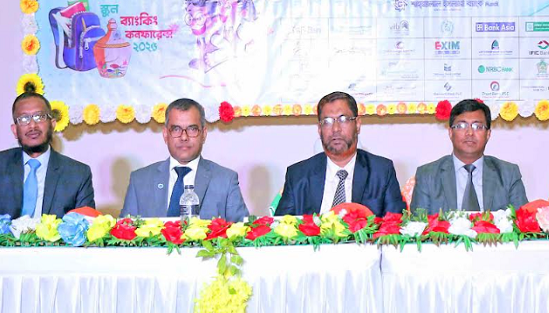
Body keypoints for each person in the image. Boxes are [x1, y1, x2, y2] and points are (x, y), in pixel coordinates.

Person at [275, 91, 405, 217]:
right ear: (319, 129)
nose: (336, 129)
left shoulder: (381, 171)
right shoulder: (298, 175)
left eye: (343, 119)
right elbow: (280, 226)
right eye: (327, 121)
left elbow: (396, 224)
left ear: (357, 124)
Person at [120, 98, 249, 222]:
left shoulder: (226, 181)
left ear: (203, 134)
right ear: (165, 135)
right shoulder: (140, 181)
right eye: (176, 129)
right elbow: (124, 233)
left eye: (192, 129)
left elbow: (244, 232)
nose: (184, 137)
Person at [410, 99, 528, 212]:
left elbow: (522, 221)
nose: (470, 133)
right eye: (462, 126)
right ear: (450, 132)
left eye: (478, 127)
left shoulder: (508, 174)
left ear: (488, 134)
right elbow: (418, 223)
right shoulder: (427, 175)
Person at [0, 92, 94, 218]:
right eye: (24, 119)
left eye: (39, 117)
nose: (32, 125)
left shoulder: (78, 174)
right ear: (15, 130)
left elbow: (86, 225)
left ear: (53, 124)